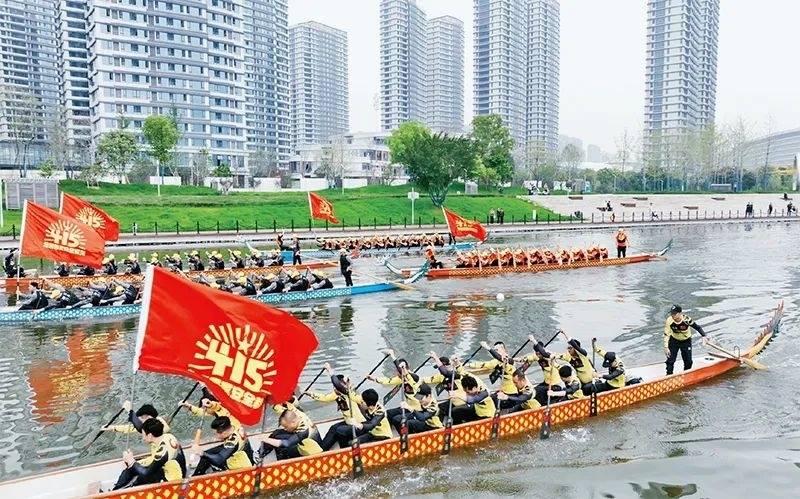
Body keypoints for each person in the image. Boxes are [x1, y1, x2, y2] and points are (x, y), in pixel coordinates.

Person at [112, 418, 185, 490]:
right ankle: (118, 489)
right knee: (131, 468)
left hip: (173, 482)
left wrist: (132, 461)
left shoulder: (162, 452)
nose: (143, 438)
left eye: (143, 435)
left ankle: (120, 491)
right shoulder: (168, 436)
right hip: (169, 469)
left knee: (139, 473)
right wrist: (133, 463)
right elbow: (154, 461)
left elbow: (146, 473)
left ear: (150, 435)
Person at [305, 363, 365, 451]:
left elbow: (338, 384)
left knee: (338, 431)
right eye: (334, 387)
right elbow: (325, 398)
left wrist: (329, 370)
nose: (334, 389)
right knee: (333, 428)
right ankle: (322, 450)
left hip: (358, 424)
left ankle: (343, 450)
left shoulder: (348, 393)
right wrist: (310, 394)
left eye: (336, 387)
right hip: (348, 422)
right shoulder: (336, 394)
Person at [258, 409, 322, 461]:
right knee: (276, 433)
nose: (285, 429)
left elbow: (286, 443)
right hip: (301, 439)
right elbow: (287, 409)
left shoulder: (303, 431)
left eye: (286, 427)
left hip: (310, 450)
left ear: (293, 422)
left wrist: (265, 439)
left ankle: (283, 464)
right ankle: (260, 453)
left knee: (283, 448)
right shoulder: (298, 414)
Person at [664, 305, 710, 375]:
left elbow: (697, 327)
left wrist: (704, 336)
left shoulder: (687, 320)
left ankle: (686, 374)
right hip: (674, 340)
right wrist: (666, 347)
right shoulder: (669, 320)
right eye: (671, 313)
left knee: (688, 362)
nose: (672, 315)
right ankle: (668, 375)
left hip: (686, 341)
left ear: (680, 313)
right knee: (670, 360)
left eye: (674, 313)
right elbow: (666, 334)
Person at [103, 401, 171, 435]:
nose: (139, 420)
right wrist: (113, 428)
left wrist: (130, 411)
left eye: (141, 417)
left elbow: (140, 427)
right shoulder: (153, 423)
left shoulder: (158, 428)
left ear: (148, 417)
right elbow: (132, 428)